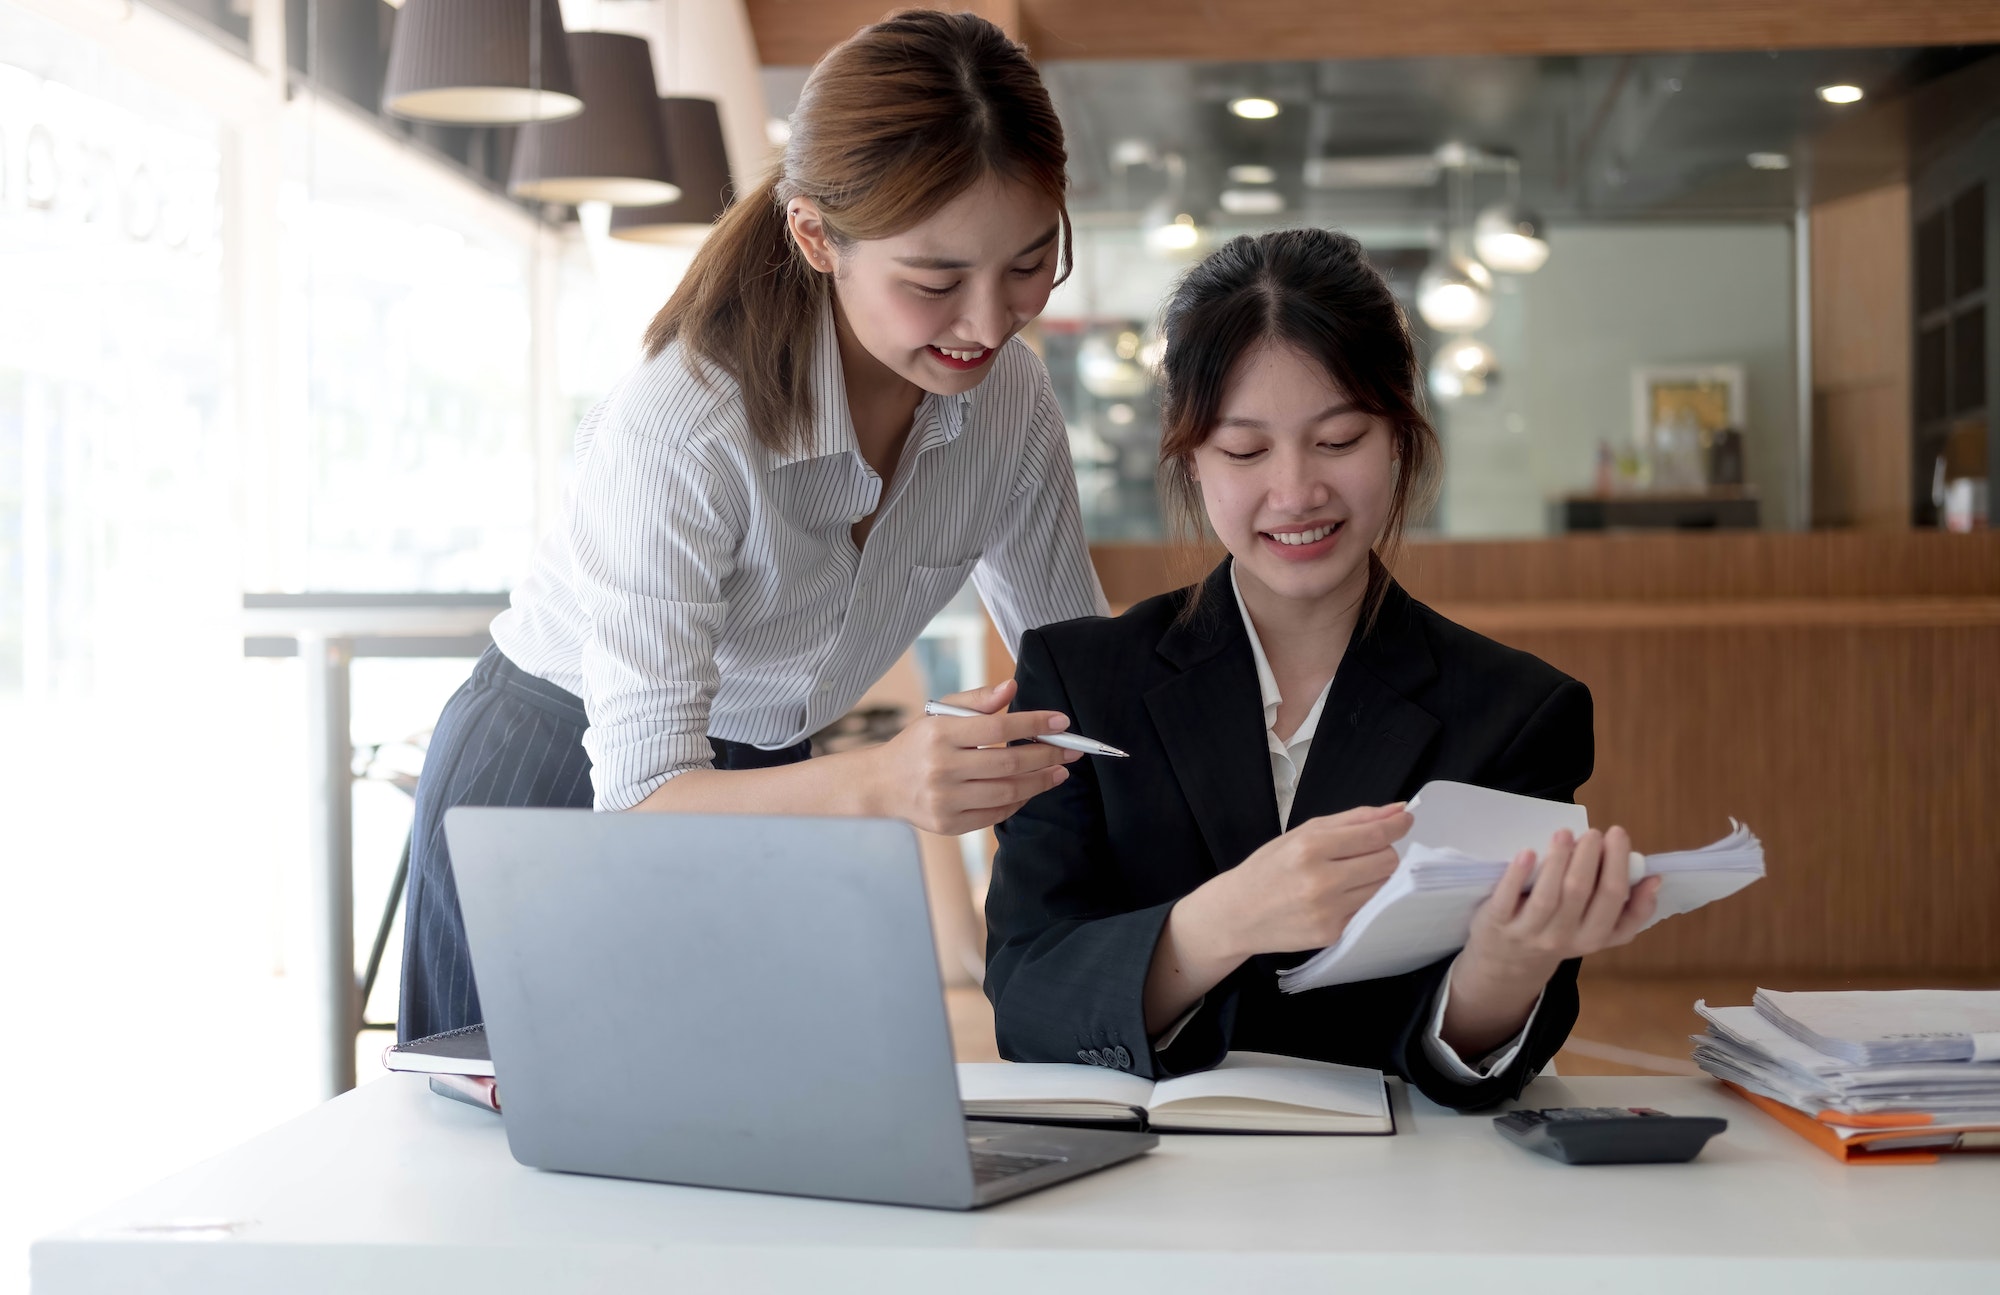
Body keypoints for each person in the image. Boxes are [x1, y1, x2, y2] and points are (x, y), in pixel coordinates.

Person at [400, 11, 1106, 1042]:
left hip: (770, 775)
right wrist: (887, 778)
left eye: (1030, 264)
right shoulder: (685, 425)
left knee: (751, 1162)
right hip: (557, 784)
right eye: (934, 281)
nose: (989, 322)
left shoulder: (1010, 403)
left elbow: (1074, 664)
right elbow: (638, 801)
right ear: (816, 235)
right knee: (525, 1180)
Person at [983, 229, 1662, 1109]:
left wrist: (1509, 962)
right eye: (1244, 451)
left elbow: (1467, 1066)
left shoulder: (1517, 710)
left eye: (1338, 440)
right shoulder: (1081, 680)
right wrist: (1229, 917)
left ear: (1400, 437)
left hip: (1402, 1206)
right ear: (1189, 456)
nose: (1296, 490)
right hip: (1143, 1201)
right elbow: (1028, 999)